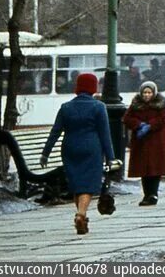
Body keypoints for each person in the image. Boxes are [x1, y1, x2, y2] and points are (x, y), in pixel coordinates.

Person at [39, 73, 116, 235]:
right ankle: (81, 215)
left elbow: (55, 132)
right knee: (88, 185)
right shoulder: (98, 107)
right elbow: (105, 134)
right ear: (93, 88)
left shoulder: (66, 107)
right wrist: (110, 157)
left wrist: (45, 153)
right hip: (91, 149)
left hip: (70, 148)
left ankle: (82, 216)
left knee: (76, 185)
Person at [123, 81, 165, 206]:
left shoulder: (160, 104)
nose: (146, 95)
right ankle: (147, 194)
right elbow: (127, 118)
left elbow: (163, 119)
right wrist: (139, 125)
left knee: (155, 169)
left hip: (156, 141)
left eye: (149, 92)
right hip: (141, 142)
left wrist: (150, 126)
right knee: (144, 170)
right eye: (145, 92)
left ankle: (153, 194)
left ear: (154, 93)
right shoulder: (135, 104)